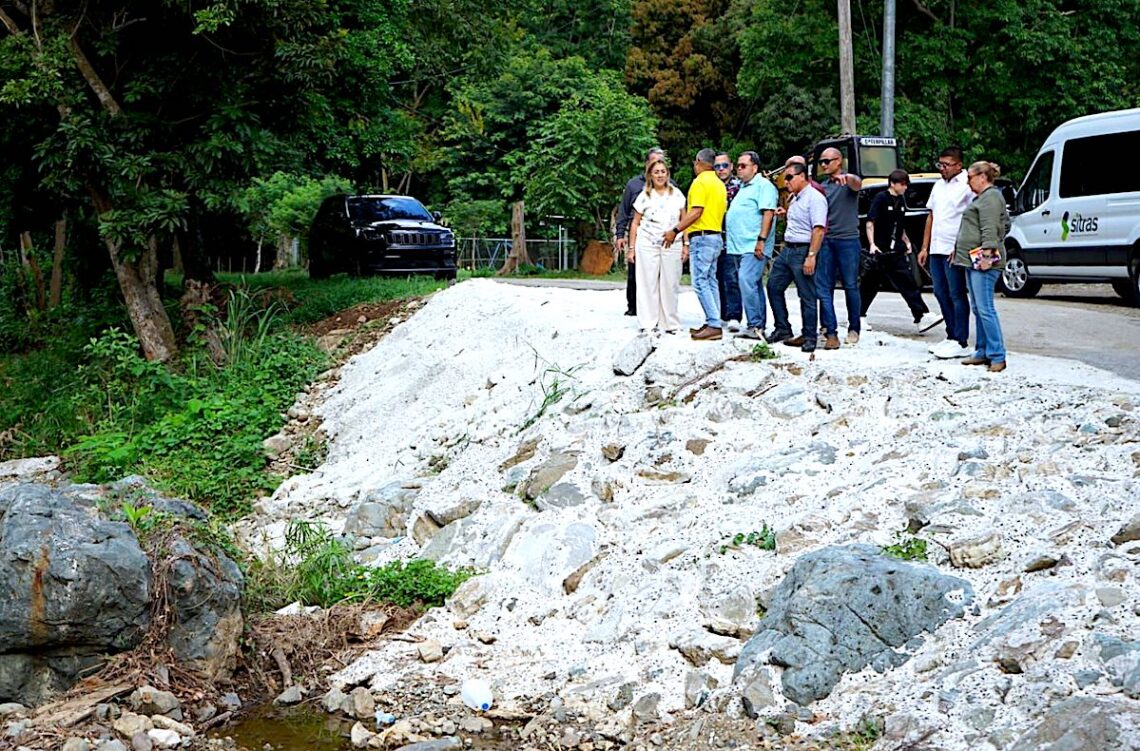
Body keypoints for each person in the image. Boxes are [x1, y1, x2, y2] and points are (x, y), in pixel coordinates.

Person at [663, 149, 728, 340]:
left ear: (698, 162)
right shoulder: (719, 183)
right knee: (711, 280)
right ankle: (713, 320)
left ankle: (714, 324)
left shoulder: (700, 182)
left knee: (700, 281)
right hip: (716, 235)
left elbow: (696, 212)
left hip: (702, 236)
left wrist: (675, 231)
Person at [954, 162, 1010, 372]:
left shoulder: (991, 198)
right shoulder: (983, 198)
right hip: (973, 259)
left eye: (970, 177)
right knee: (978, 308)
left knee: (985, 309)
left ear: (982, 177)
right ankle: (982, 350)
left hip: (983, 261)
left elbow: (991, 227)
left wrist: (987, 254)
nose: (968, 182)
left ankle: (997, 355)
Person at [920, 146, 973, 359]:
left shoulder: (967, 186)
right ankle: (951, 334)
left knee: (957, 293)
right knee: (940, 292)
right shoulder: (938, 186)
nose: (942, 169)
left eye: (946, 165)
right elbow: (931, 216)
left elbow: (970, 219)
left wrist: (961, 246)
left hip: (954, 247)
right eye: (940, 165)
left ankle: (961, 339)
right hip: (937, 246)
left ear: (958, 165)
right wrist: (925, 246)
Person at [767, 162, 826, 352]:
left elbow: (818, 229)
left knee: (807, 294)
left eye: (790, 177)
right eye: (785, 178)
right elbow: (801, 221)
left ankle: (809, 336)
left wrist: (811, 256)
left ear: (802, 176)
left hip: (803, 249)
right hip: (788, 249)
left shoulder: (814, 198)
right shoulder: (795, 198)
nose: (786, 182)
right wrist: (785, 215)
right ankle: (782, 327)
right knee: (774, 286)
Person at [860, 169, 929, 327]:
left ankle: (921, 315)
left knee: (907, 281)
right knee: (870, 285)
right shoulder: (881, 198)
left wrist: (907, 242)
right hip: (880, 250)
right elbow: (870, 222)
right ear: (893, 184)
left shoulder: (901, 200)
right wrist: (872, 244)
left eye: (906, 185)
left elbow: (900, 225)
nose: (905, 188)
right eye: (902, 184)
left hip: (896, 250)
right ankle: (859, 315)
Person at [627, 156, 689, 334]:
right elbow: (635, 223)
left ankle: (670, 322)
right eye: (656, 172)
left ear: (668, 173)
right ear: (650, 175)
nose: (660, 175)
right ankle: (648, 322)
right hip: (647, 242)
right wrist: (631, 248)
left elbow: (684, 220)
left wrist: (686, 243)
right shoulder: (643, 195)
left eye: (663, 172)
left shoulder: (677, 194)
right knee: (647, 281)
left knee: (670, 282)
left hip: (672, 242)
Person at [725, 151, 777, 339]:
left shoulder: (763, 186)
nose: (738, 169)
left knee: (745, 281)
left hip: (753, 244)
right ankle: (757, 325)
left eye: (743, 166)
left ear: (754, 167)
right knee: (752, 284)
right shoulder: (743, 187)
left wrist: (761, 240)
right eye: (737, 166)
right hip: (738, 245)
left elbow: (768, 213)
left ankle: (755, 324)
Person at [816, 147, 863, 349]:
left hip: (848, 240)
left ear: (839, 161)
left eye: (828, 161)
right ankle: (827, 326)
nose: (824, 165)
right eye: (822, 161)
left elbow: (857, 183)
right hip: (826, 240)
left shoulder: (847, 183)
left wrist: (848, 177)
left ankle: (854, 327)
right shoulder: (822, 187)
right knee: (824, 287)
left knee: (850, 285)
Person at [616, 147, 667, 317]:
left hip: (660, 232)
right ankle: (633, 306)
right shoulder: (634, 184)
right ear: (647, 164)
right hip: (636, 231)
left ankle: (657, 308)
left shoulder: (670, 186)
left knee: (659, 273)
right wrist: (620, 234)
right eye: (654, 162)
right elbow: (624, 211)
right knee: (634, 271)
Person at [714, 152, 744, 330]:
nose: (721, 169)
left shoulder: (740, 186)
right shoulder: (712, 186)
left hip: (734, 238)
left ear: (731, 166)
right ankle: (721, 313)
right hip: (715, 236)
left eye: (724, 165)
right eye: (717, 166)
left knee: (732, 277)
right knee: (716, 277)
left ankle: (734, 315)